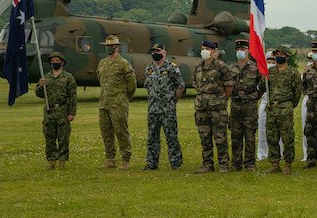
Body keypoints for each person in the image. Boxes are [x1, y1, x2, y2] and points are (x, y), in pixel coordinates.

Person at [192, 39, 233, 173]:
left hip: (217, 109)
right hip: (201, 108)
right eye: (203, 48)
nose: (204, 51)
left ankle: (223, 164)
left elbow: (229, 86)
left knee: (220, 137)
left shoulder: (221, 66)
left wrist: (221, 100)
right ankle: (207, 164)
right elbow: (196, 85)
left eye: (207, 49)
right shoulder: (198, 67)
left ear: (214, 52)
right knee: (205, 138)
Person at [96, 34, 136, 169]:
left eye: (111, 46)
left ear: (117, 47)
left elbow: (132, 84)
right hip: (104, 103)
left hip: (118, 104)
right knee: (106, 132)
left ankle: (125, 160)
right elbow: (101, 81)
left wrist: (123, 98)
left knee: (121, 131)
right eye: (107, 46)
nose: (109, 48)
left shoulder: (124, 64)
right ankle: (110, 159)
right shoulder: (102, 63)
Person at [143, 43, 184, 171]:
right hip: (153, 109)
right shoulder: (149, 68)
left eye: (158, 51)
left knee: (171, 136)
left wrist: (172, 101)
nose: (155, 53)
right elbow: (147, 86)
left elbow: (180, 86)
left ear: (164, 53)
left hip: (168, 110)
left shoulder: (172, 68)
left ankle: (175, 163)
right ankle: (151, 163)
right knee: (152, 137)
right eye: (153, 51)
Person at [35, 51, 76, 169]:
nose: (55, 63)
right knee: (49, 137)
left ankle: (62, 161)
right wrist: (40, 85)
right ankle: (51, 161)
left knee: (63, 137)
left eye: (57, 61)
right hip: (49, 111)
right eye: (53, 61)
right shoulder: (46, 77)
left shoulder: (68, 78)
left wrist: (72, 113)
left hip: (62, 110)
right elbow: (39, 94)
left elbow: (73, 97)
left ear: (62, 62)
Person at [266, 45, 303, 174]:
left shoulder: (293, 73)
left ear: (287, 57)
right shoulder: (270, 72)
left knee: (287, 137)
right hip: (272, 108)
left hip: (285, 108)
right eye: (276, 55)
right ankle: (275, 163)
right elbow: (263, 87)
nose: (278, 57)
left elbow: (297, 92)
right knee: (271, 136)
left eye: (281, 54)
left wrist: (289, 105)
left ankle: (288, 163)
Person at [227, 39, 263, 171]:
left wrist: (254, 97)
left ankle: (250, 164)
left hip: (250, 107)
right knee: (235, 135)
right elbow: (226, 86)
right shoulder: (231, 68)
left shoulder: (255, 68)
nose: (240, 52)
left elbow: (263, 86)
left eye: (242, 49)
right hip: (235, 106)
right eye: (238, 50)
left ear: (248, 50)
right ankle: (236, 164)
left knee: (250, 135)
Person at [257, 50, 275, 162]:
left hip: (276, 104)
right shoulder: (260, 73)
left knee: (277, 131)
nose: (271, 63)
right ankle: (262, 153)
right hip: (264, 102)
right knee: (262, 130)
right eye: (269, 61)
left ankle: (278, 153)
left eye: (273, 61)